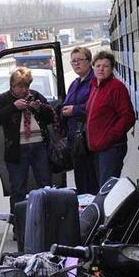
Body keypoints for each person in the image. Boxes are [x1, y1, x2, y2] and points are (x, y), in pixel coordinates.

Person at [0, 67, 55, 213]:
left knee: (46, 185)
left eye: (27, 86)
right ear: (12, 86)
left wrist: (39, 108)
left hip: (39, 146)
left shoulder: (35, 95)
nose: (24, 90)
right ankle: (18, 222)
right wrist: (13, 107)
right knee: (18, 189)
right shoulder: (4, 99)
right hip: (16, 149)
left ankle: (48, 219)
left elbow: (51, 117)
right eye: (20, 86)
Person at [86, 50, 135, 184]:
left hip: (111, 148)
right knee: (101, 188)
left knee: (107, 189)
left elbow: (128, 116)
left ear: (112, 68)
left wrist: (110, 136)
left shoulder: (116, 87)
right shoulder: (94, 87)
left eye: (105, 66)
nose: (101, 69)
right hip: (96, 148)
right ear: (93, 67)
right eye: (98, 65)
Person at [60, 46, 97, 194]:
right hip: (75, 140)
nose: (76, 64)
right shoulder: (74, 83)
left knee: (91, 180)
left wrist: (75, 110)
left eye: (79, 60)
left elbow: (95, 106)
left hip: (88, 138)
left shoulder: (95, 81)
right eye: (73, 61)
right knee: (80, 180)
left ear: (89, 61)